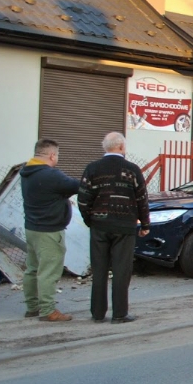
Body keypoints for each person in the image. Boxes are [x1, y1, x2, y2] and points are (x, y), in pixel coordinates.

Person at [78, 132, 150, 323]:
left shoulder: (92, 169)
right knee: (121, 270)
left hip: (99, 225)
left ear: (106, 147)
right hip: (124, 226)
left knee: (99, 269)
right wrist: (145, 224)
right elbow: (142, 198)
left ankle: (97, 313)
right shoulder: (132, 170)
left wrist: (90, 220)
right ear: (121, 147)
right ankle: (119, 314)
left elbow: (83, 198)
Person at [20, 138, 80, 321]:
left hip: (32, 227)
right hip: (49, 230)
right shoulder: (50, 175)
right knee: (48, 271)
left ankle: (32, 307)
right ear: (52, 155)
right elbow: (77, 186)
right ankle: (47, 310)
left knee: (32, 269)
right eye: (58, 155)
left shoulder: (27, 172)